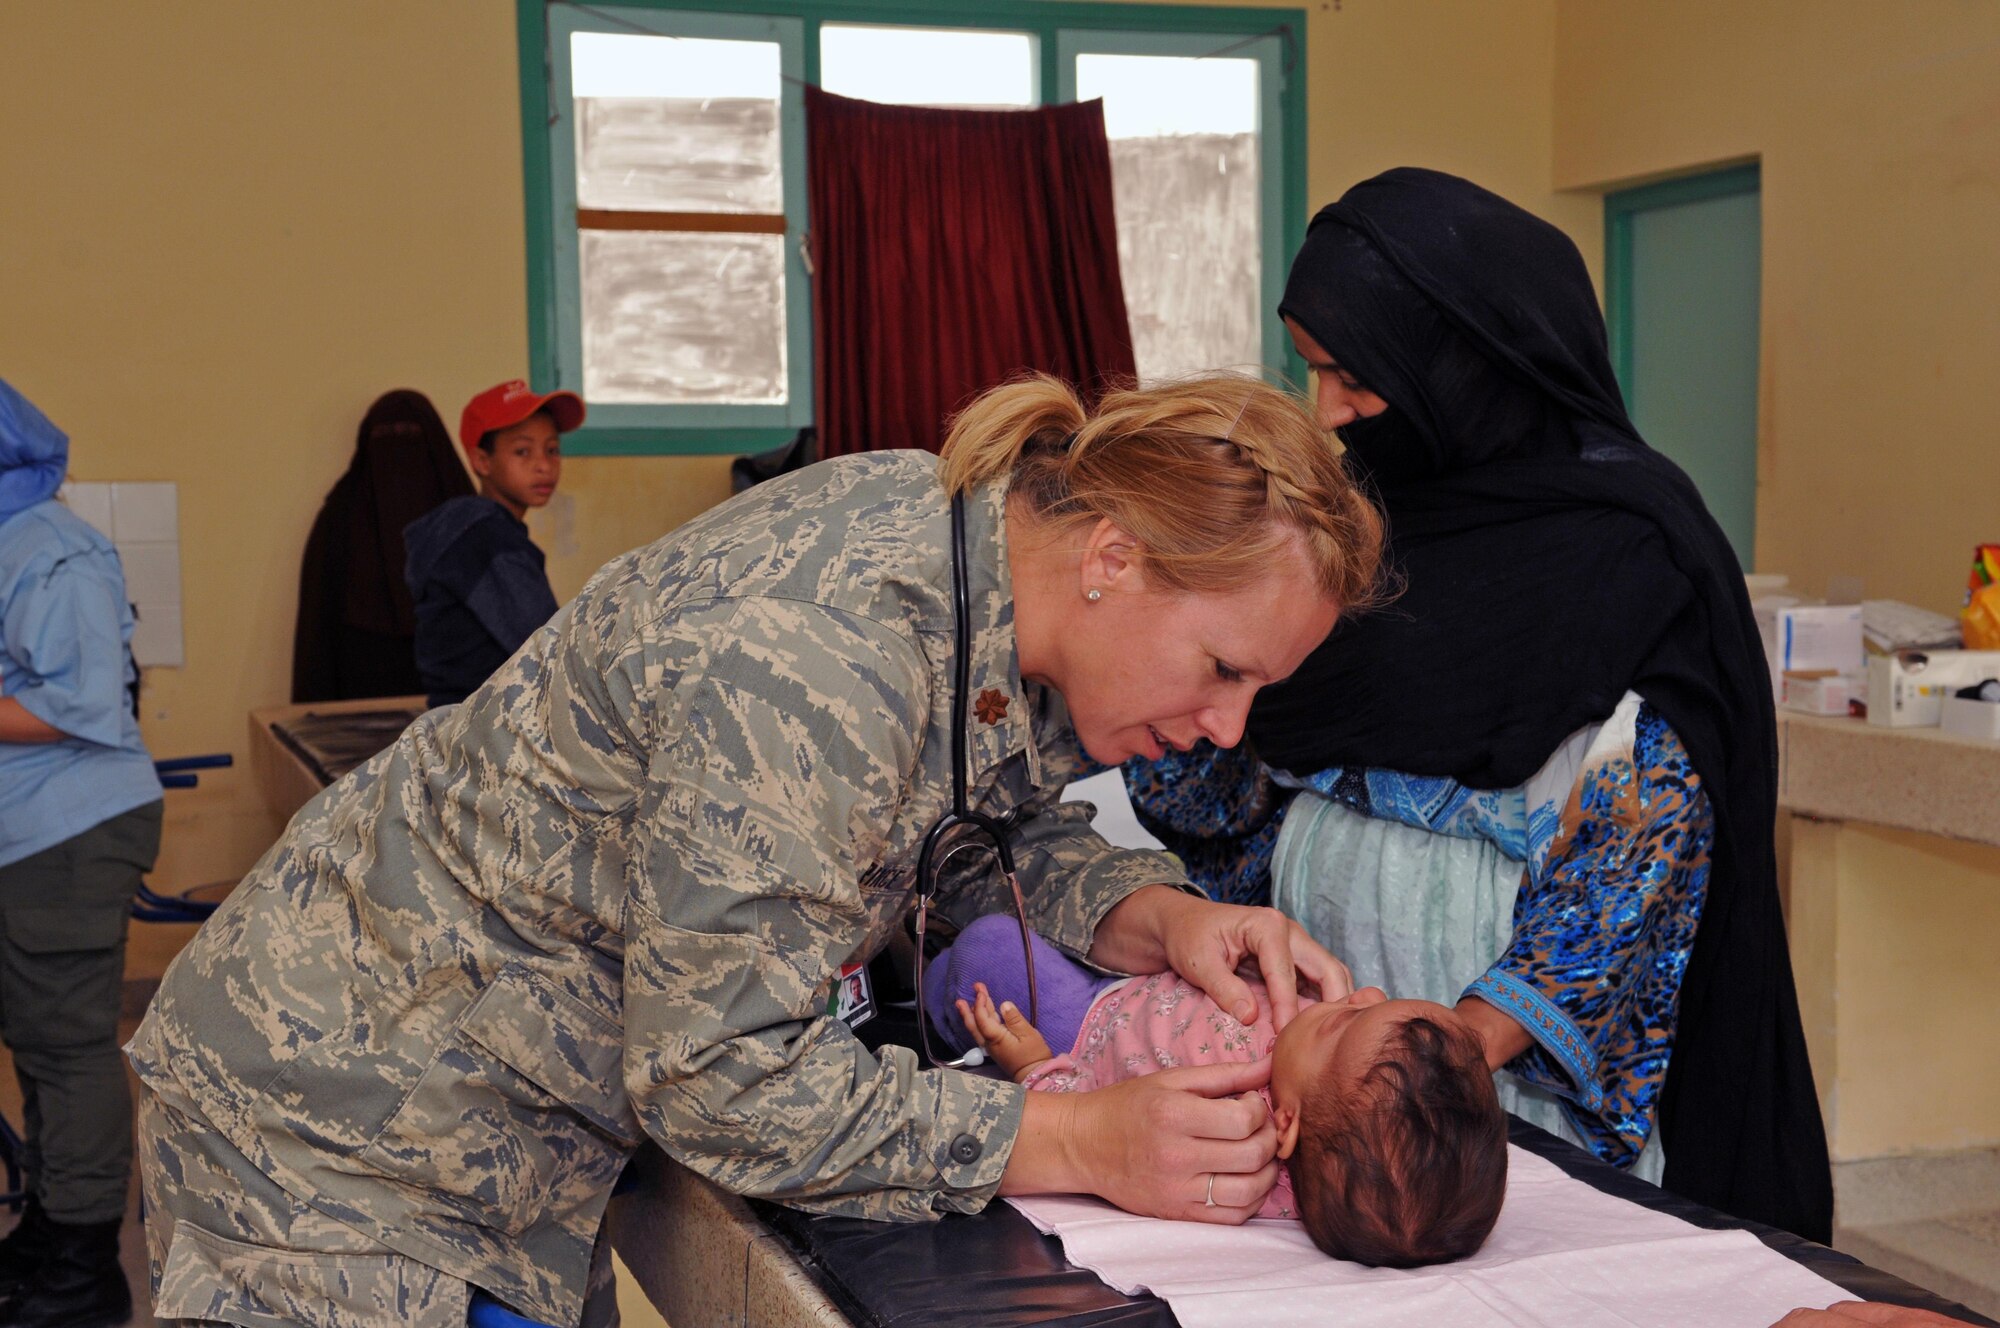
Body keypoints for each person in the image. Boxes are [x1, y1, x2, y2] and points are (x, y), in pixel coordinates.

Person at [128, 373, 1386, 1328]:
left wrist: (1160, 916)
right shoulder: (818, 657)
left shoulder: (978, 556)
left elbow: (952, 825)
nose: (1226, 724)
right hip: (347, 1146)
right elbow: (721, 1077)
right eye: (1225, 668)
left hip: (489, 1133)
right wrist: (1074, 1138)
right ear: (1113, 556)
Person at [1126, 168, 1833, 1243]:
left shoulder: (1630, 546)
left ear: (1456, 361)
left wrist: (1443, 1055)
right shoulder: (1343, 526)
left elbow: (1647, 839)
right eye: (1313, 372)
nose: (1330, 412)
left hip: (1494, 1064)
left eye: (1355, 375)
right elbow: (1245, 777)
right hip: (1309, 1052)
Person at [936, 914, 1507, 1266]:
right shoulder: (1338, 1080)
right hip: (1161, 969)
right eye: (1382, 1001)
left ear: (1286, 1124)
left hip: (1082, 1024)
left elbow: (1102, 1120)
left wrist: (1034, 1065)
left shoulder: (1226, 1135)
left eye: (1342, 1022)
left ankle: (921, 975)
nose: (1367, 991)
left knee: (986, 950)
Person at [0, 378, 164, 1328]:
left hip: (70, 830)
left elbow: (82, 706)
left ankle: (87, 1269)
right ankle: (51, 1228)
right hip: (30, 832)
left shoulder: (52, 551)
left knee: (69, 1051)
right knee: (36, 1044)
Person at [404, 379, 578, 708]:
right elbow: (549, 648)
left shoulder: (473, 529)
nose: (544, 465)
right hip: (482, 723)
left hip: (459, 712)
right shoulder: (487, 539)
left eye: (552, 450)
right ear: (482, 461)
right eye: (522, 451)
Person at [291, 389, 472, 703]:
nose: (400, 458)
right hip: (359, 696)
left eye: (411, 436)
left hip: (453, 696)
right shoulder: (339, 517)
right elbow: (316, 633)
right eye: (388, 437)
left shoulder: (469, 517)